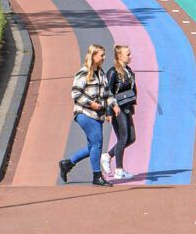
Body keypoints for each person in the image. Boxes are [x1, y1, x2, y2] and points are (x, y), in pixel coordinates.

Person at [57, 43, 116, 186]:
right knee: (98, 143)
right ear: (93, 56)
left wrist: (113, 105)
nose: (104, 57)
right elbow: (75, 93)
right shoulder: (84, 73)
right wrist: (91, 104)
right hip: (84, 113)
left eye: (104, 55)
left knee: (92, 147)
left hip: (97, 115)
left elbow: (107, 94)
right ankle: (97, 176)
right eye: (101, 55)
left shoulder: (101, 73)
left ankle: (67, 163)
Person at [105, 43, 138, 181]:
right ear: (119, 56)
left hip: (126, 107)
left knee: (131, 138)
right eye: (128, 54)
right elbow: (107, 93)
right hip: (117, 108)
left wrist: (132, 105)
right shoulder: (112, 72)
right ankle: (119, 170)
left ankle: (107, 156)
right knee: (123, 138)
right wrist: (109, 112)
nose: (130, 56)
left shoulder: (128, 70)